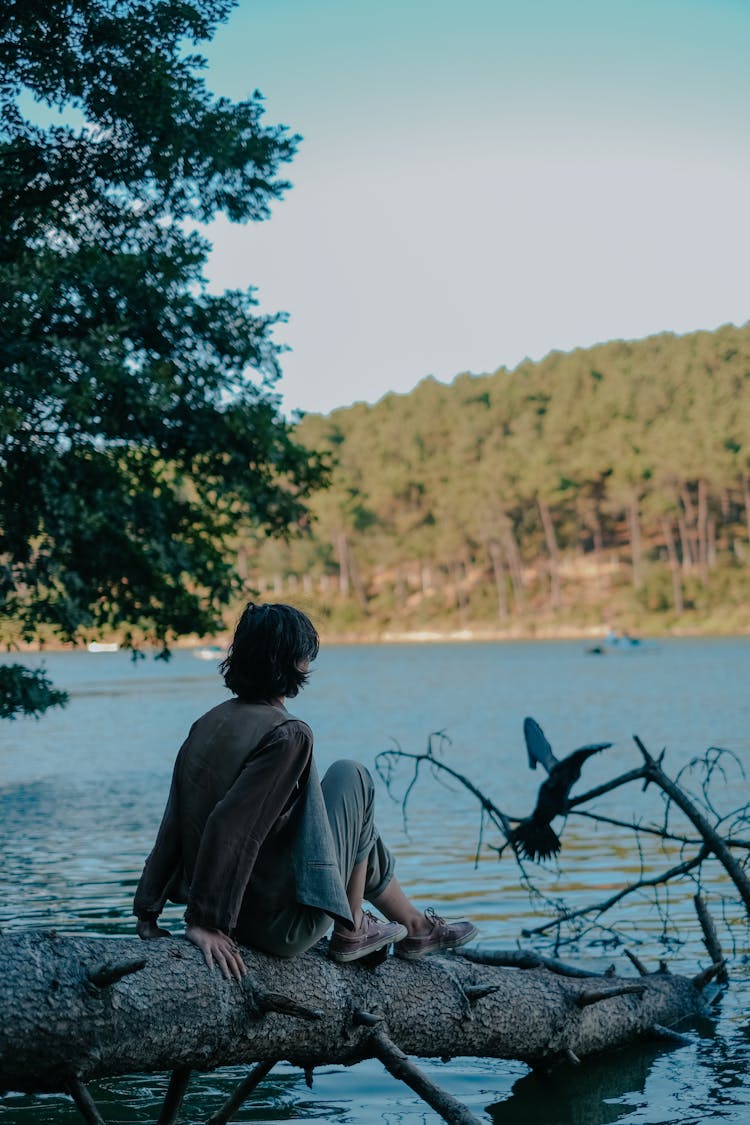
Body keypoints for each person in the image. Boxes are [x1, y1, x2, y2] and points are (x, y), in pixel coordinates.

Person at [133, 602, 476, 979]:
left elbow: (173, 823)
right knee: (353, 776)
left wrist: (148, 909)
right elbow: (230, 827)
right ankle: (352, 927)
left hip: (242, 908)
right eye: (305, 656)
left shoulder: (206, 723)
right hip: (275, 927)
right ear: (294, 662)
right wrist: (206, 922)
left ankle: (415, 928)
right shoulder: (288, 734)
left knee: (351, 819)